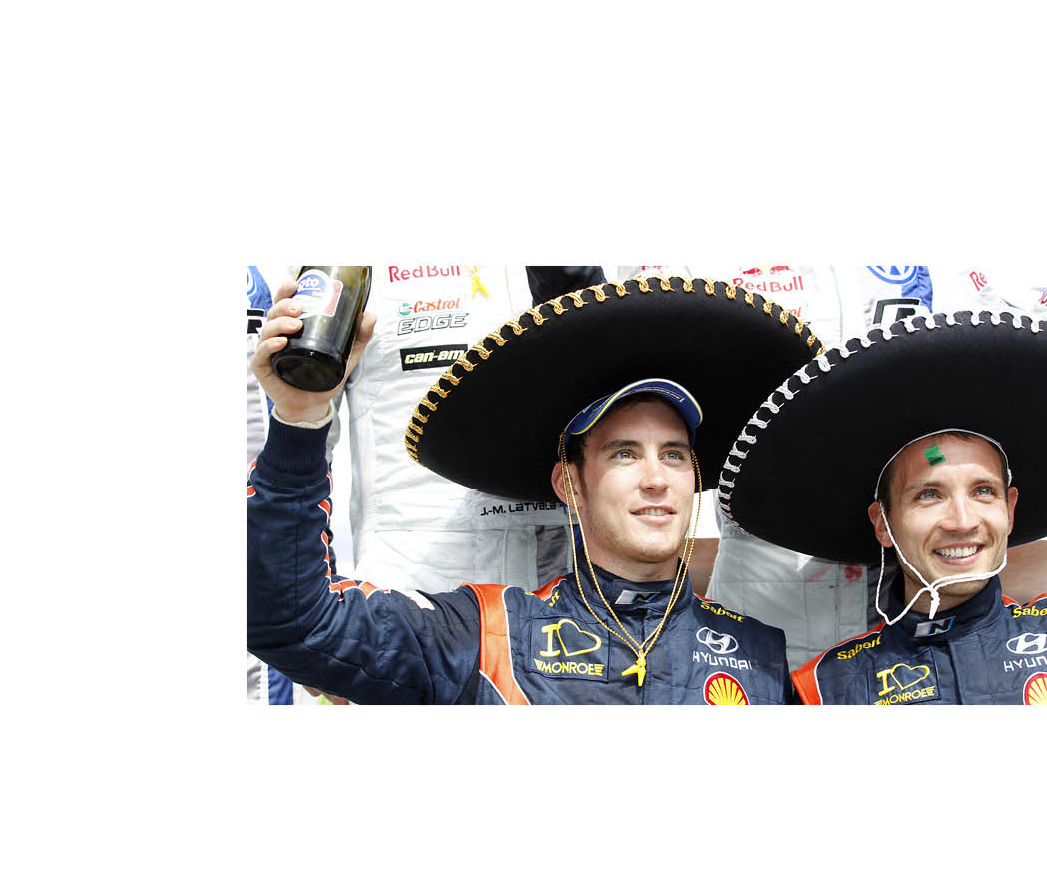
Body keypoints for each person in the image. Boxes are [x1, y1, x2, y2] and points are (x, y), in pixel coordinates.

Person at [247, 275, 815, 703]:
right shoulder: (484, 632)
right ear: (571, 483)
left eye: (674, 454)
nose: (655, 478)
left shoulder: (759, 655)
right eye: (624, 454)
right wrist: (299, 420)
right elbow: (292, 620)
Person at [719, 310, 1047, 703]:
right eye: (929, 495)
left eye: (983, 492)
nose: (962, 521)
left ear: (1010, 510)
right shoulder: (824, 688)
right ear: (883, 524)